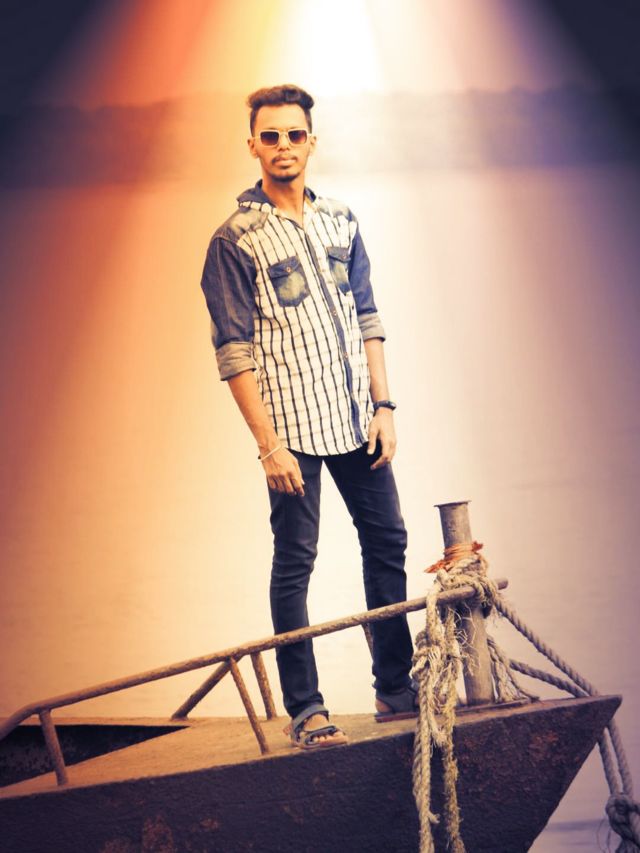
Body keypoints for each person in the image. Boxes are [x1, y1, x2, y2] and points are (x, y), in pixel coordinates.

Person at [200, 84, 416, 750]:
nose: (284, 146)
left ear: (311, 141)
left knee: (388, 542)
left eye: (295, 134)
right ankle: (306, 707)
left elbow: (368, 318)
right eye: (270, 136)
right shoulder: (234, 240)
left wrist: (384, 407)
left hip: (356, 421)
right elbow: (233, 352)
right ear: (253, 146)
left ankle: (395, 687)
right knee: (296, 561)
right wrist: (268, 446)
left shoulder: (341, 221)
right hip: (291, 432)